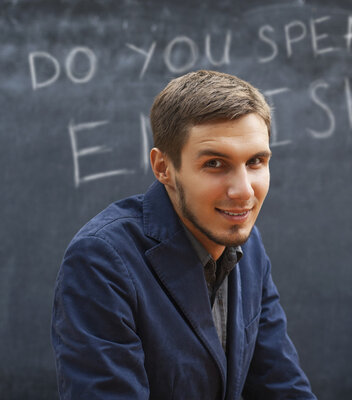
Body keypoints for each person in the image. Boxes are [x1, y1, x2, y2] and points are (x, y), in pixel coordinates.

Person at [52, 70, 317, 400]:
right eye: (215, 164)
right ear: (164, 168)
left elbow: (282, 384)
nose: (244, 191)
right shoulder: (101, 260)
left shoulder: (249, 245)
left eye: (256, 161)